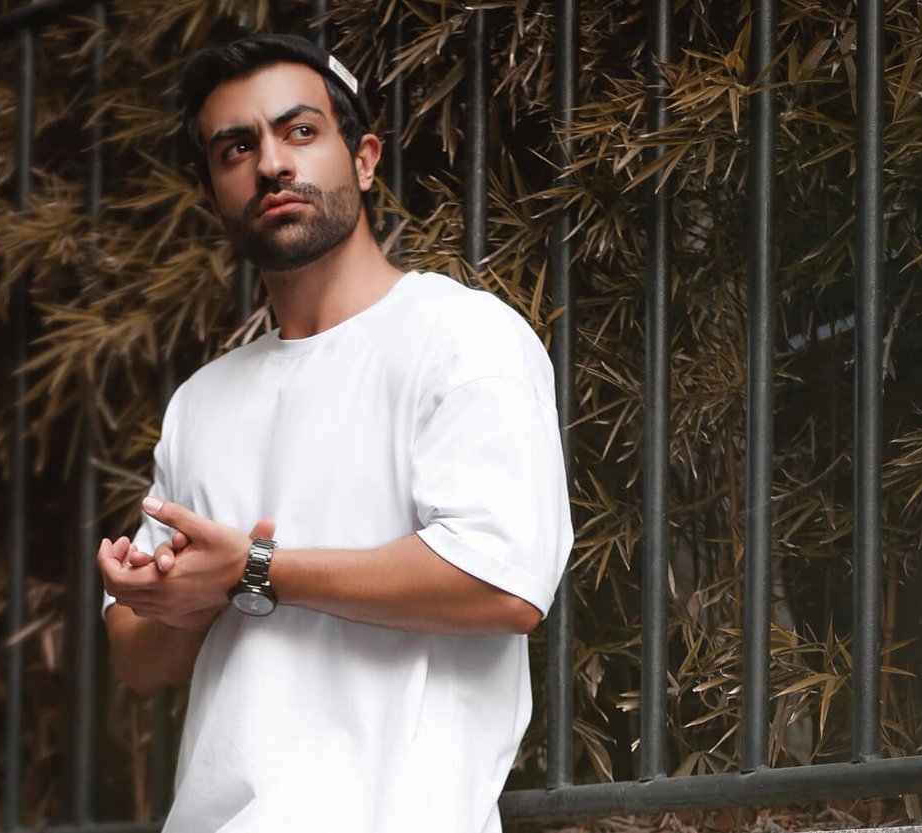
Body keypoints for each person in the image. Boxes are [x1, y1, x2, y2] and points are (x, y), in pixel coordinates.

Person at [97, 33, 573, 833]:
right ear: (212, 192)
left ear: (364, 158)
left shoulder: (462, 336)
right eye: (236, 148)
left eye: (300, 131)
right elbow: (138, 660)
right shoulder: (201, 402)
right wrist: (173, 598)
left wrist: (252, 570)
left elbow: (505, 583)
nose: (271, 164)